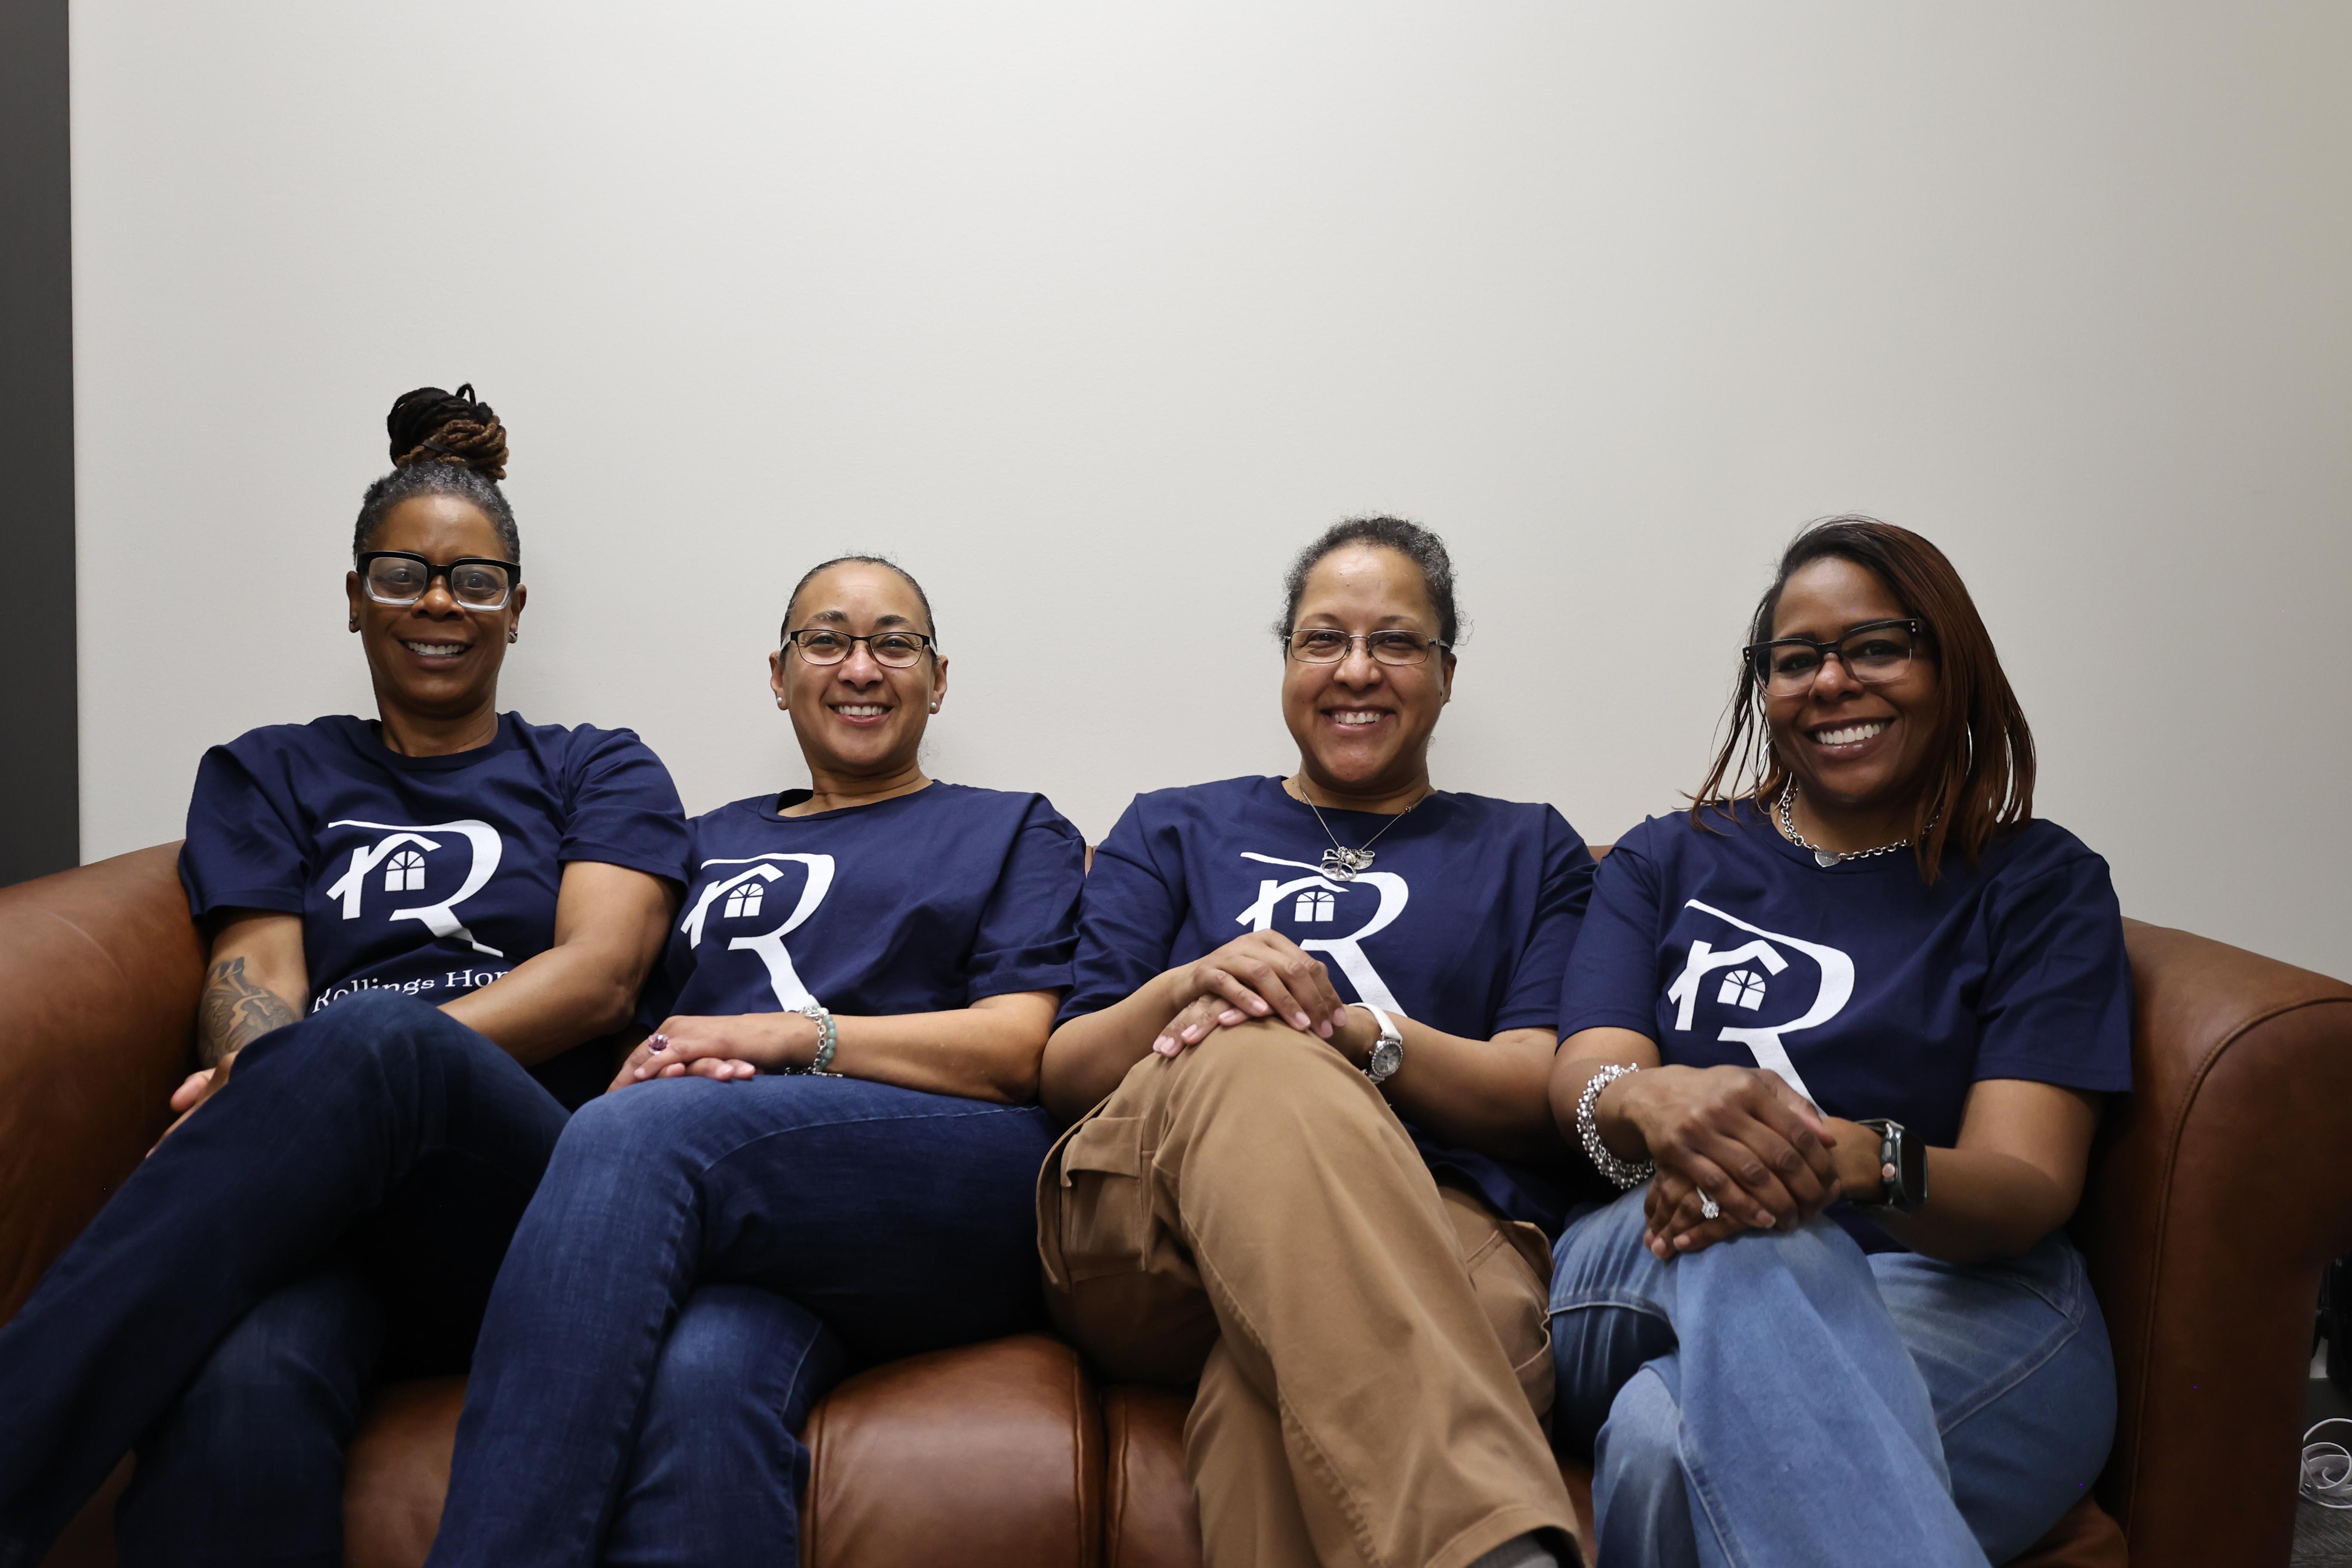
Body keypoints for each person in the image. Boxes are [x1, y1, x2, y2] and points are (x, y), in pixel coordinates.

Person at [0, 386, 689, 1568]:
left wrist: (329, 1062)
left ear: (516, 609)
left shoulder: (596, 768)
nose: (438, 603)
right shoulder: (273, 773)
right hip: (328, 1209)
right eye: (402, 575)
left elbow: (597, 978)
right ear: (356, 597)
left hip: (526, 1197)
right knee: (240, 1389)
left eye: (475, 582)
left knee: (381, 1043)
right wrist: (278, 1082)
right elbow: (252, 978)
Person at [425, 555, 1087, 1567]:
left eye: (894, 645)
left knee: (641, 1132)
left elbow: (1016, 1049)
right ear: (778, 676)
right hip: (743, 1214)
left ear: (938, 679)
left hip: (948, 1181)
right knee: (704, 1373)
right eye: (826, 642)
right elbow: (629, 1034)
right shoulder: (701, 843)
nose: (859, 668)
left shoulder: (1012, 827)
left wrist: (788, 1035)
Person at [1548, 516, 2130, 1568]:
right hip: (1648, 1251)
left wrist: (1857, 1160)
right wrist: (1645, 1100)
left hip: (1959, 1293)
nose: (1830, 682)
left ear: (1950, 664)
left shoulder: (2039, 885)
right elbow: (1584, 1073)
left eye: (1876, 647)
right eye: (1796, 660)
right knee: (1756, 1224)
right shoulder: (1666, 861)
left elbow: (2026, 1184)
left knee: (1657, 1440)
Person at [1040, 517, 1596, 1568]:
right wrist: (1193, 985)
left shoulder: (1529, 848)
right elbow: (1065, 1073)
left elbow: (1537, 1090)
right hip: (1151, 1228)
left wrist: (1355, 1033)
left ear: (1446, 672)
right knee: (1254, 1045)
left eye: (1396, 642)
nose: (1356, 670)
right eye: (1323, 640)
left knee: (1284, 1394)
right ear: (1288, 661)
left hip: (1438, 1213)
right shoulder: (1172, 827)